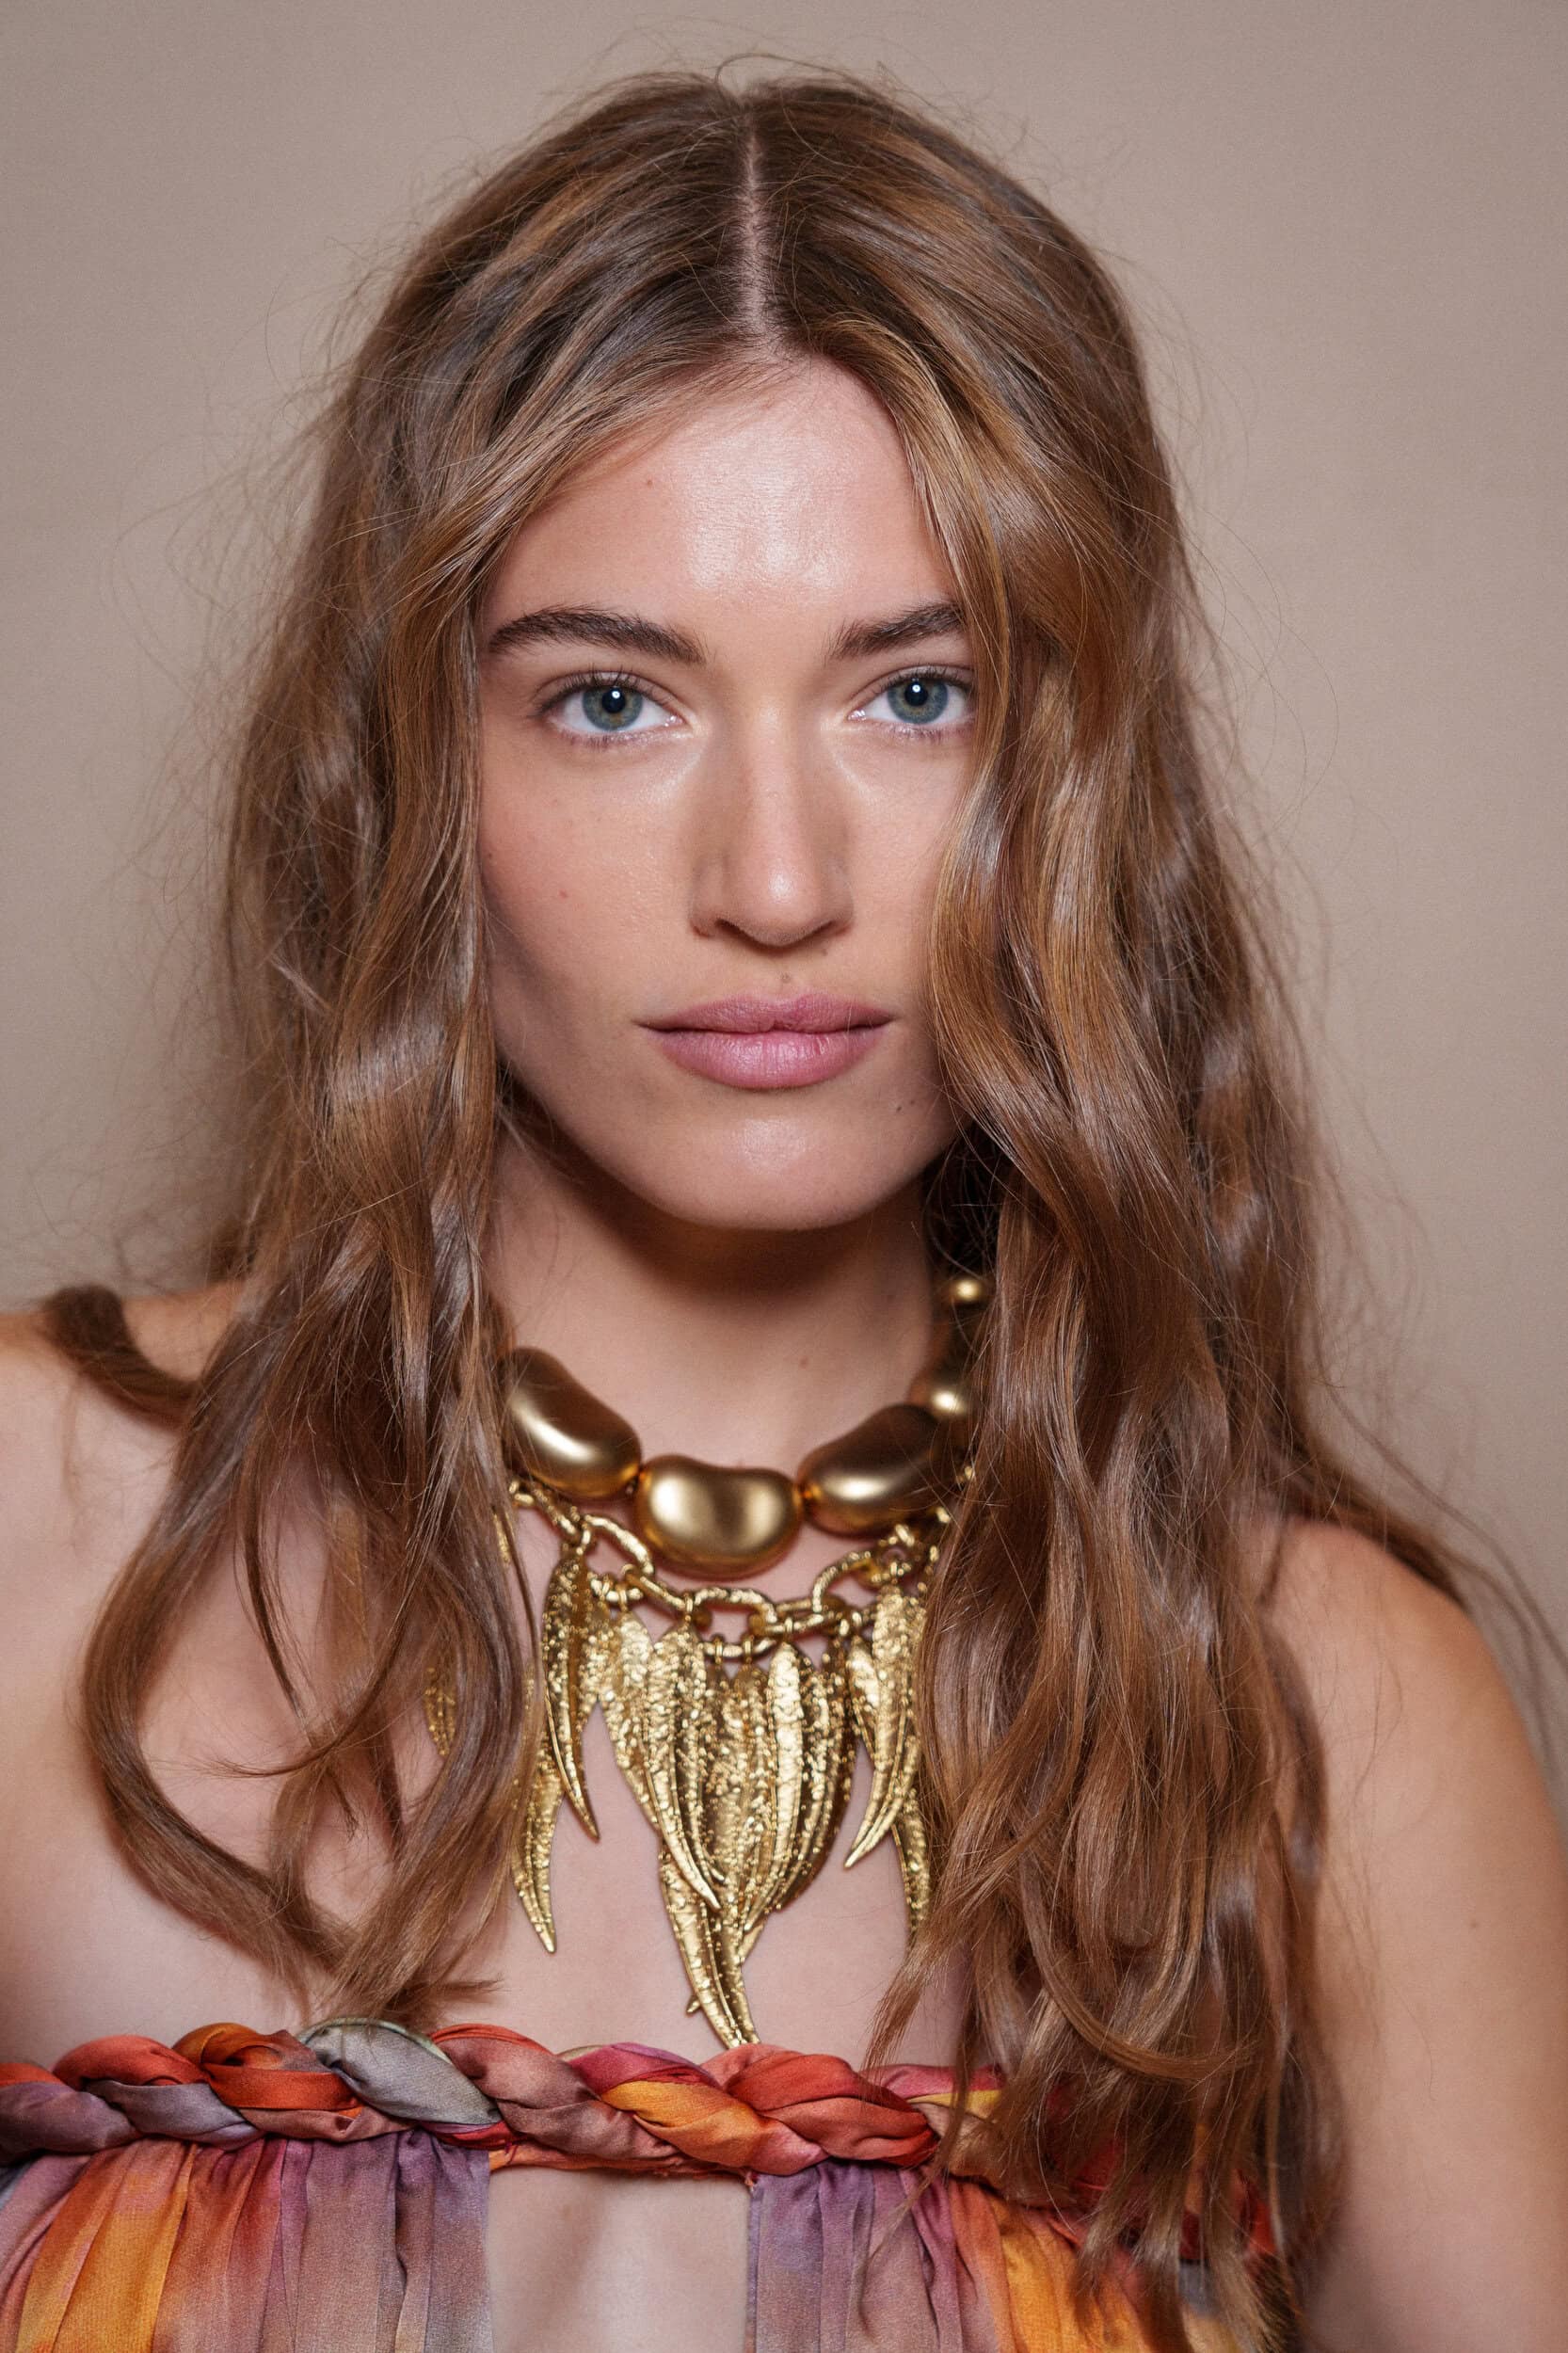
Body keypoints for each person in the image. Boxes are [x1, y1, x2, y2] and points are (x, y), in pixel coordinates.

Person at [0, 65, 1564, 2353]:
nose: (772, 879)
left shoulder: (1326, 1704)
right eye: (609, 702)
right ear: (411, 760)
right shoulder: (33, 1527)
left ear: (1081, 775)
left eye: (916, 694)